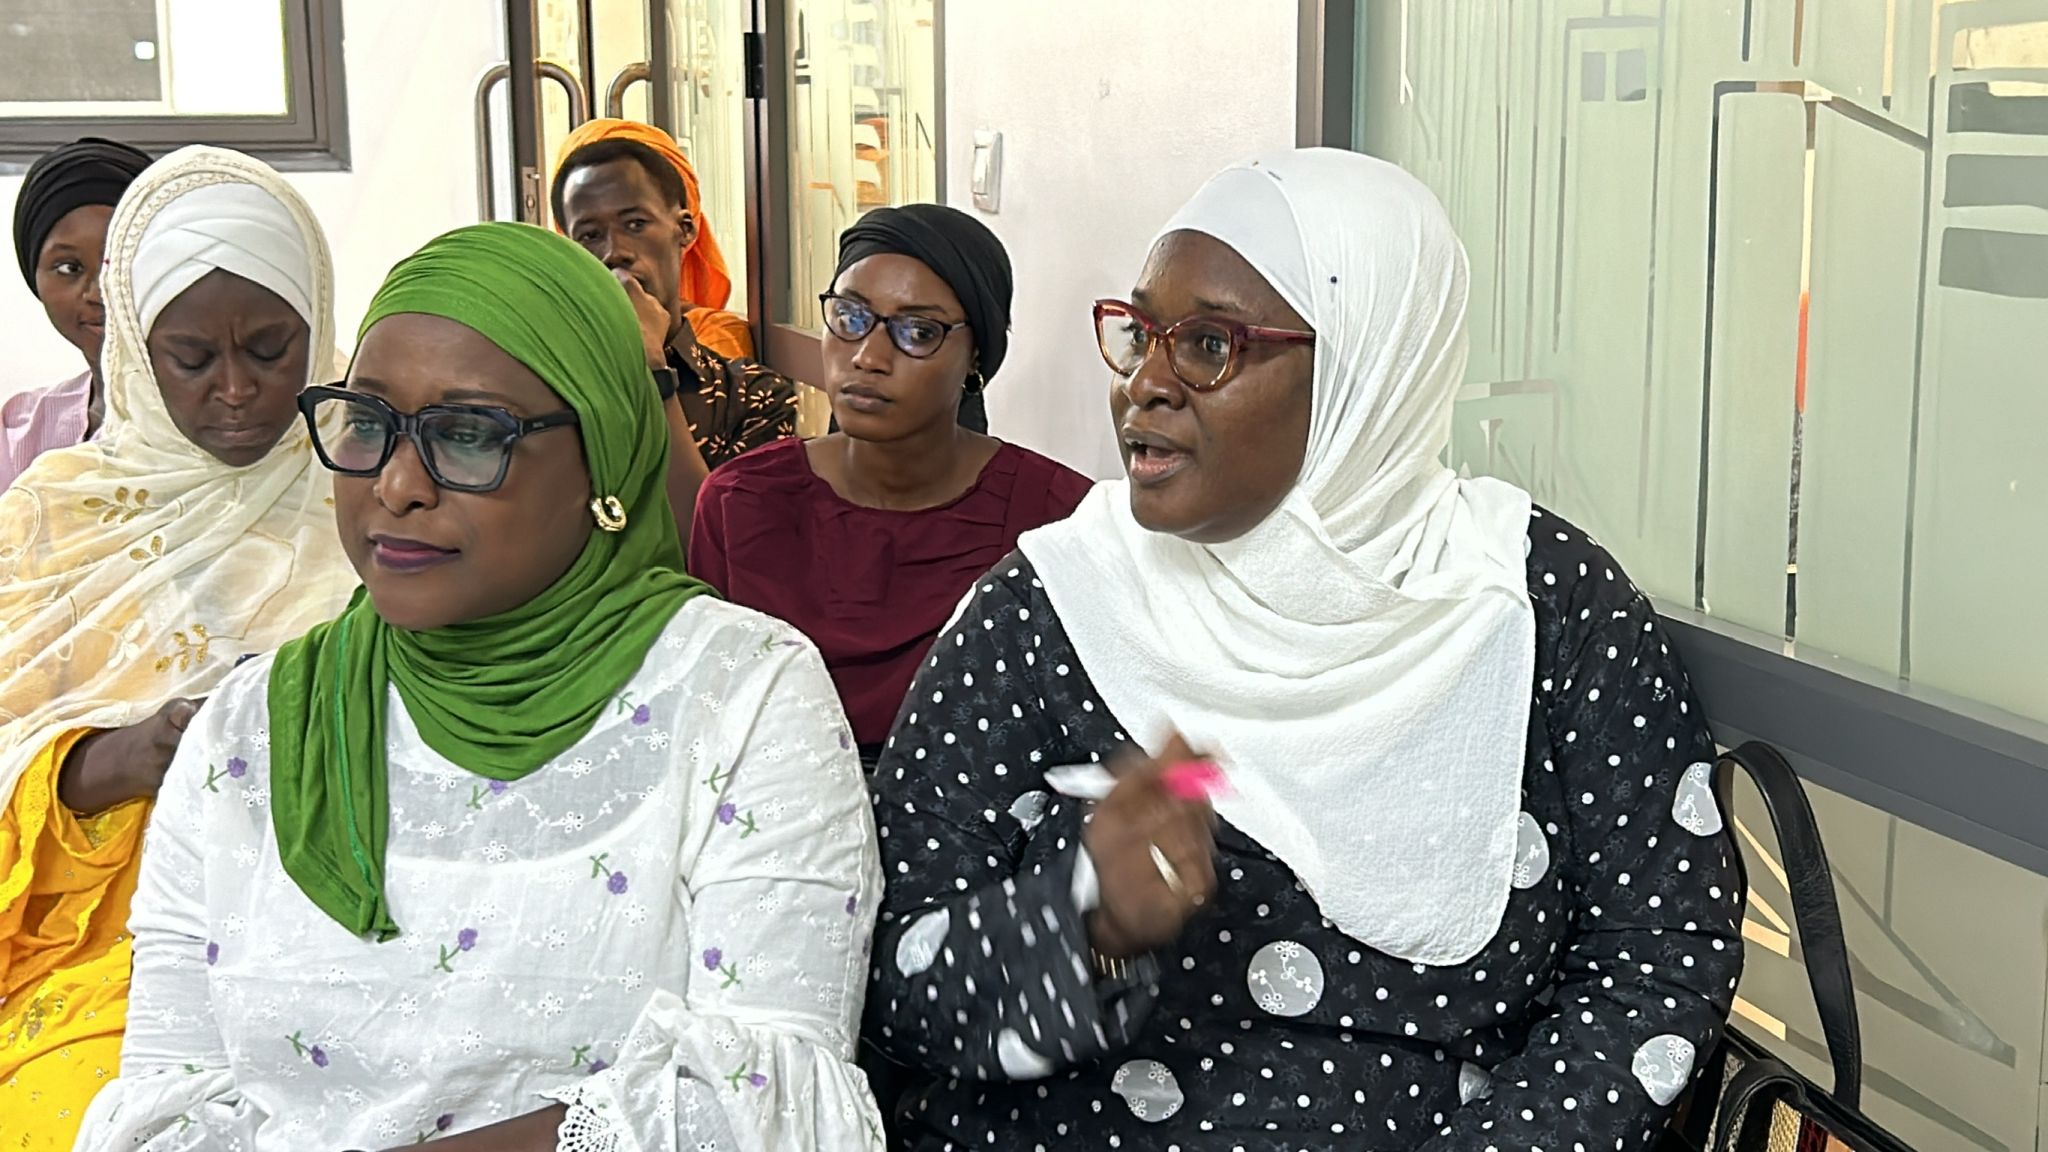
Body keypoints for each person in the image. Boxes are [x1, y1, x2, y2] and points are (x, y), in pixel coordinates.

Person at [862, 149, 1744, 1149]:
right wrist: (1081, 927)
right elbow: (890, 981)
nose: (1143, 386)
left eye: (1206, 345)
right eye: (1139, 333)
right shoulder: (1048, 607)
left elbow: (1654, 961)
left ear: (1367, 371)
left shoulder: (1535, 605)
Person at [74, 222, 885, 1151]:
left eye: (468, 435)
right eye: (369, 423)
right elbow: (168, 1102)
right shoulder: (250, 732)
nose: (398, 484)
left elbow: (757, 1109)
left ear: (605, 456)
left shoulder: (742, 697)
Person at [0, 145, 354, 1151]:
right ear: (134, 352)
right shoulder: (52, 520)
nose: (237, 391)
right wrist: (134, 755)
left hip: (351, 918)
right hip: (111, 944)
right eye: (191, 359)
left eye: (274, 348)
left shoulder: (372, 485)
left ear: (318, 326)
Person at [687, 204, 1092, 764]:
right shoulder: (739, 504)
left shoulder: (1056, 520)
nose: (868, 356)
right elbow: (708, 720)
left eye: (918, 331)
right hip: (773, 831)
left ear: (977, 356)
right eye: (851, 316)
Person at [2, 137, 153, 490]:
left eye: (120, 261)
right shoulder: (15, 434)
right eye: (69, 267)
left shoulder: (234, 419)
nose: (98, 293)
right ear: (34, 277)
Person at [553, 118, 754, 361]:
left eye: (636, 224)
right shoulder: (551, 348)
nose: (615, 253)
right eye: (590, 235)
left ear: (685, 229)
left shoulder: (717, 342)